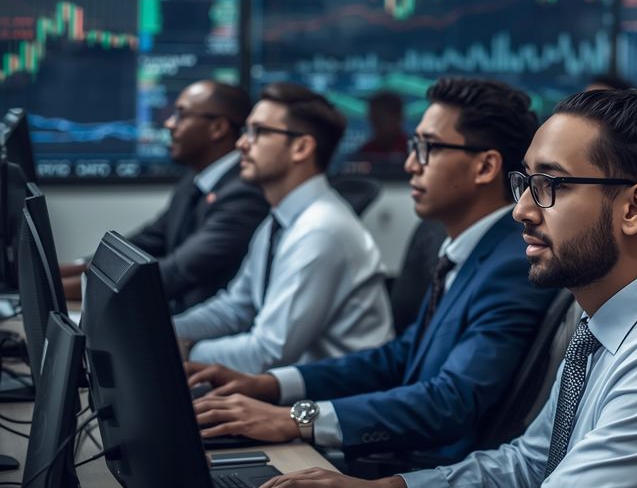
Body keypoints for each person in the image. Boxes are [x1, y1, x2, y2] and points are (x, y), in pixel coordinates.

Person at [262, 89, 637, 487]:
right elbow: (528, 462)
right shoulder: (605, 325)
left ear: (635, 208)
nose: (522, 210)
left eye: (551, 186)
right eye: (525, 183)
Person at [185, 78, 557, 464]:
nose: (411, 163)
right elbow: (400, 357)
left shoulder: (512, 264)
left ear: (485, 166)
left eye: (427, 148)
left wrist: (297, 418)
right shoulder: (465, 249)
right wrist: (270, 385)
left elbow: (451, 401)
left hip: (428, 468)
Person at [173, 82, 394, 374]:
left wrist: (185, 350)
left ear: (301, 147)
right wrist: (167, 331)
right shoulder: (279, 221)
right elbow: (236, 307)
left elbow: (268, 352)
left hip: (331, 404)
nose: (241, 144)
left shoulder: (320, 231)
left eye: (259, 132)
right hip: (289, 389)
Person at [59, 80, 268, 312]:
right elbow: (143, 244)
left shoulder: (244, 194)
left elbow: (175, 272)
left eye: (181, 115)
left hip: (199, 330)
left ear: (217, 128)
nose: (169, 124)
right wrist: (69, 269)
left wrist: (55, 289)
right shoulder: (195, 180)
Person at [357, 91, 409, 157]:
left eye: (380, 119)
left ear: (397, 117)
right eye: (373, 118)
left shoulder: (413, 152)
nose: (375, 124)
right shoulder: (365, 153)